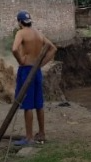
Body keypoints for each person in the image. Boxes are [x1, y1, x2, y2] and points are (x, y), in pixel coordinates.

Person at [11, 10, 57, 146]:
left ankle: (29, 137)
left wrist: (20, 60)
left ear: (20, 22)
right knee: (39, 104)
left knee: (27, 105)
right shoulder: (38, 33)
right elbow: (53, 48)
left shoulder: (21, 33)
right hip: (36, 71)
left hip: (26, 70)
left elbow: (14, 49)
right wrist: (42, 63)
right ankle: (42, 133)